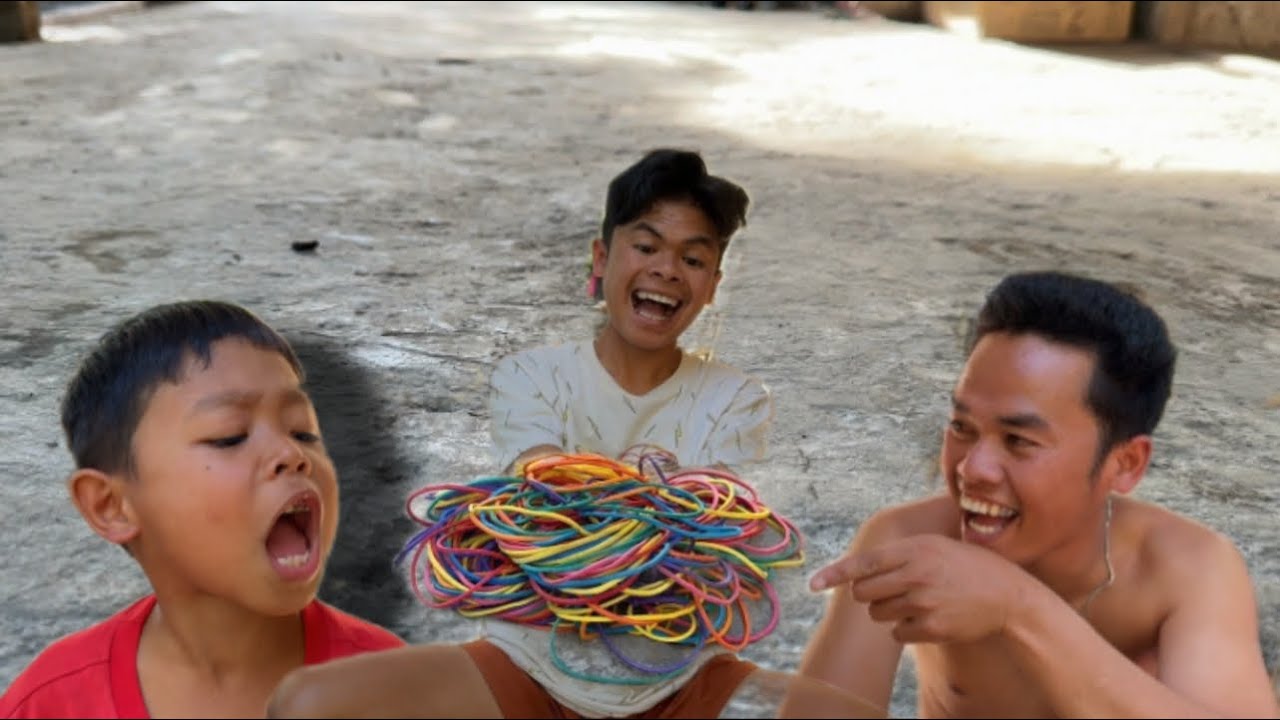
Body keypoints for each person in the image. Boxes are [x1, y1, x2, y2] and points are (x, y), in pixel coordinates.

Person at [266, 149, 882, 719]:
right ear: (601, 259)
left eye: (693, 259)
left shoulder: (737, 398)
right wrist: (656, 512)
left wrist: (587, 514)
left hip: (684, 676)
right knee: (309, 702)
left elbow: (703, 539)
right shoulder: (531, 376)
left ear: (712, 287)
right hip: (527, 668)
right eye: (647, 246)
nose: (667, 270)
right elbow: (551, 497)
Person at [798, 271, 1280, 718]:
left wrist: (1019, 607)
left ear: (1125, 464)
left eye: (1019, 441)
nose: (972, 468)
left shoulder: (1186, 569)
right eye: (962, 427)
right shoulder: (908, 544)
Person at [0, 301, 405, 718]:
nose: (291, 453)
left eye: (303, 432)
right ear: (111, 506)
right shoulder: (51, 703)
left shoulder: (394, 689)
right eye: (229, 436)